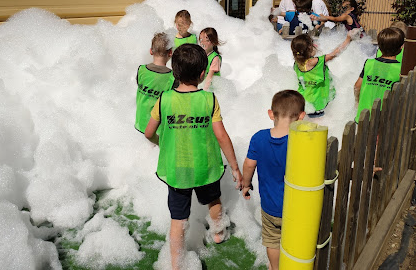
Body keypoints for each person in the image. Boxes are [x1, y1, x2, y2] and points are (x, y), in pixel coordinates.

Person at [145, 44, 242, 270]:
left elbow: (149, 132)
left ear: (174, 72)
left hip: (178, 171)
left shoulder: (164, 99)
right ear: (201, 74)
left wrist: (162, 143)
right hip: (206, 168)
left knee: (178, 220)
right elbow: (222, 137)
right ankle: (218, 232)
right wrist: (235, 167)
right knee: (213, 201)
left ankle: (177, 263)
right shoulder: (209, 100)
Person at [242, 90, 306, 270]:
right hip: (296, 207)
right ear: (301, 116)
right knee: (296, 238)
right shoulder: (300, 141)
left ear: (271, 114)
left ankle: (275, 267)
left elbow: (248, 165)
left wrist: (246, 185)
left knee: (272, 241)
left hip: (270, 207)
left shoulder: (259, 138)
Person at [291, 33, 352, 117]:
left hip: (304, 101)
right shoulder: (314, 62)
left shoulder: (297, 63)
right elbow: (334, 54)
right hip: (316, 103)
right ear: (309, 47)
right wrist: (348, 39)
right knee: (316, 126)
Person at [354, 27, 404, 122]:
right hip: (384, 118)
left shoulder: (369, 63)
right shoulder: (400, 69)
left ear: (379, 46)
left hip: (363, 115)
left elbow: (357, 86)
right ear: (401, 47)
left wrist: (357, 102)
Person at [135, 32, 175, 139]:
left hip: (140, 123)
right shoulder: (172, 77)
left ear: (151, 51)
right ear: (170, 52)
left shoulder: (141, 70)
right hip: (157, 130)